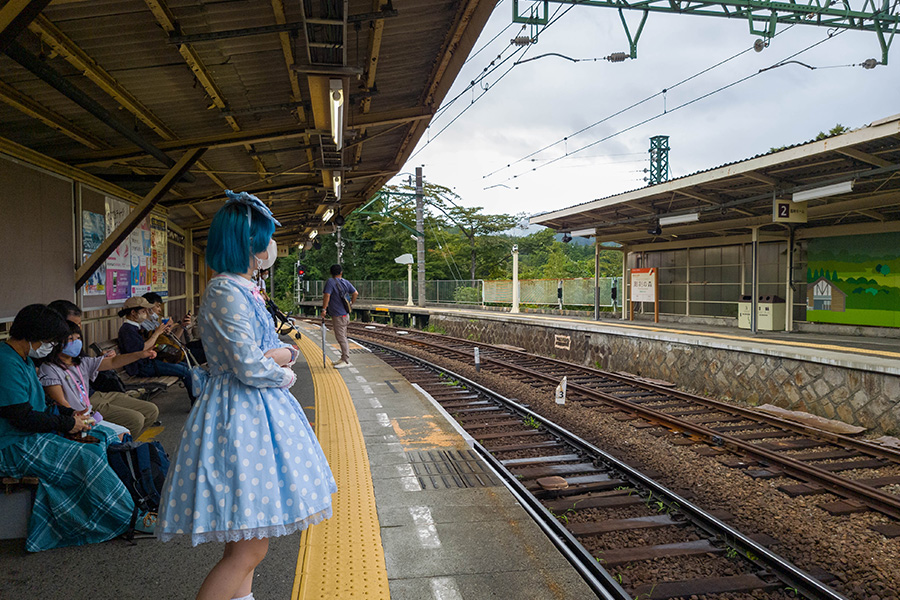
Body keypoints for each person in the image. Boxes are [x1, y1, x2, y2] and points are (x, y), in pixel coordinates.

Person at [158, 190, 335, 600]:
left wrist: (280, 353)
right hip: (242, 415)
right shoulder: (226, 292)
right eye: (266, 237)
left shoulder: (240, 289)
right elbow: (250, 364)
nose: (271, 246)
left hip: (249, 411)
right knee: (250, 547)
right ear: (249, 243)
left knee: (246, 539)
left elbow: (266, 350)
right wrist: (283, 365)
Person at [0, 304, 135, 552]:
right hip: (11, 445)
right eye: (50, 340)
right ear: (35, 335)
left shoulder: (25, 359)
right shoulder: (6, 362)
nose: (52, 346)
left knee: (99, 442)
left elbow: (40, 407)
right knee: (87, 458)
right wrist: (67, 423)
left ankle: (103, 512)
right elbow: (20, 416)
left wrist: (71, 415)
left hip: (30, 435)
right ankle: (128, 517)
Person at [39, 321, 160, 439]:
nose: (76, 342)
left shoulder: (81, 363)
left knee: (140, 420)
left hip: (89, 413)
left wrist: (140, 354)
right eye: (70, 339)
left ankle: (121, 450)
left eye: (78, 338)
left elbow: (113, 362)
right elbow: (61, 402)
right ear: (56, 342)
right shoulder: (50, 369)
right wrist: (77, 419)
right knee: (131, 425)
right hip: (75, 419)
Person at [117, 296, 196, 404]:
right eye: (143, 311)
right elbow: (141, 349)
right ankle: (196, 403)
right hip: (142, 367)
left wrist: (162, 332)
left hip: (149, 362)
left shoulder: (135, 327)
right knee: (186, 372)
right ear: (134, 313)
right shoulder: (127, 330)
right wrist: (157, 333)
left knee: (187, 367)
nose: (146, 313)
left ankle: (197, 401)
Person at [141, 291, 206, 364]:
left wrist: (182, 326)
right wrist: (163, 331)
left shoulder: (154, 322)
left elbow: (173, 342)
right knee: (207, 352)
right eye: (157, 306)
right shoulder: (143, 327)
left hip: (176, 349)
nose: (160, 310)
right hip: (171, 355)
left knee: (204, 343)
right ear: (148, 307)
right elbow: (161, 346)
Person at [321, 264, 358, 369]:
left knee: (341, 338)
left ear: (331, 273)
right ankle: (343, 358)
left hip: (338, 315)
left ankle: (346, 360)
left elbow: (327, 295)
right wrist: (351, 303)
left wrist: (324, 309)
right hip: (345, 314)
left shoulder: (330, 282)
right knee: (343, 336)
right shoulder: (345, 282)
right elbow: (355, 293)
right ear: (341, 272)